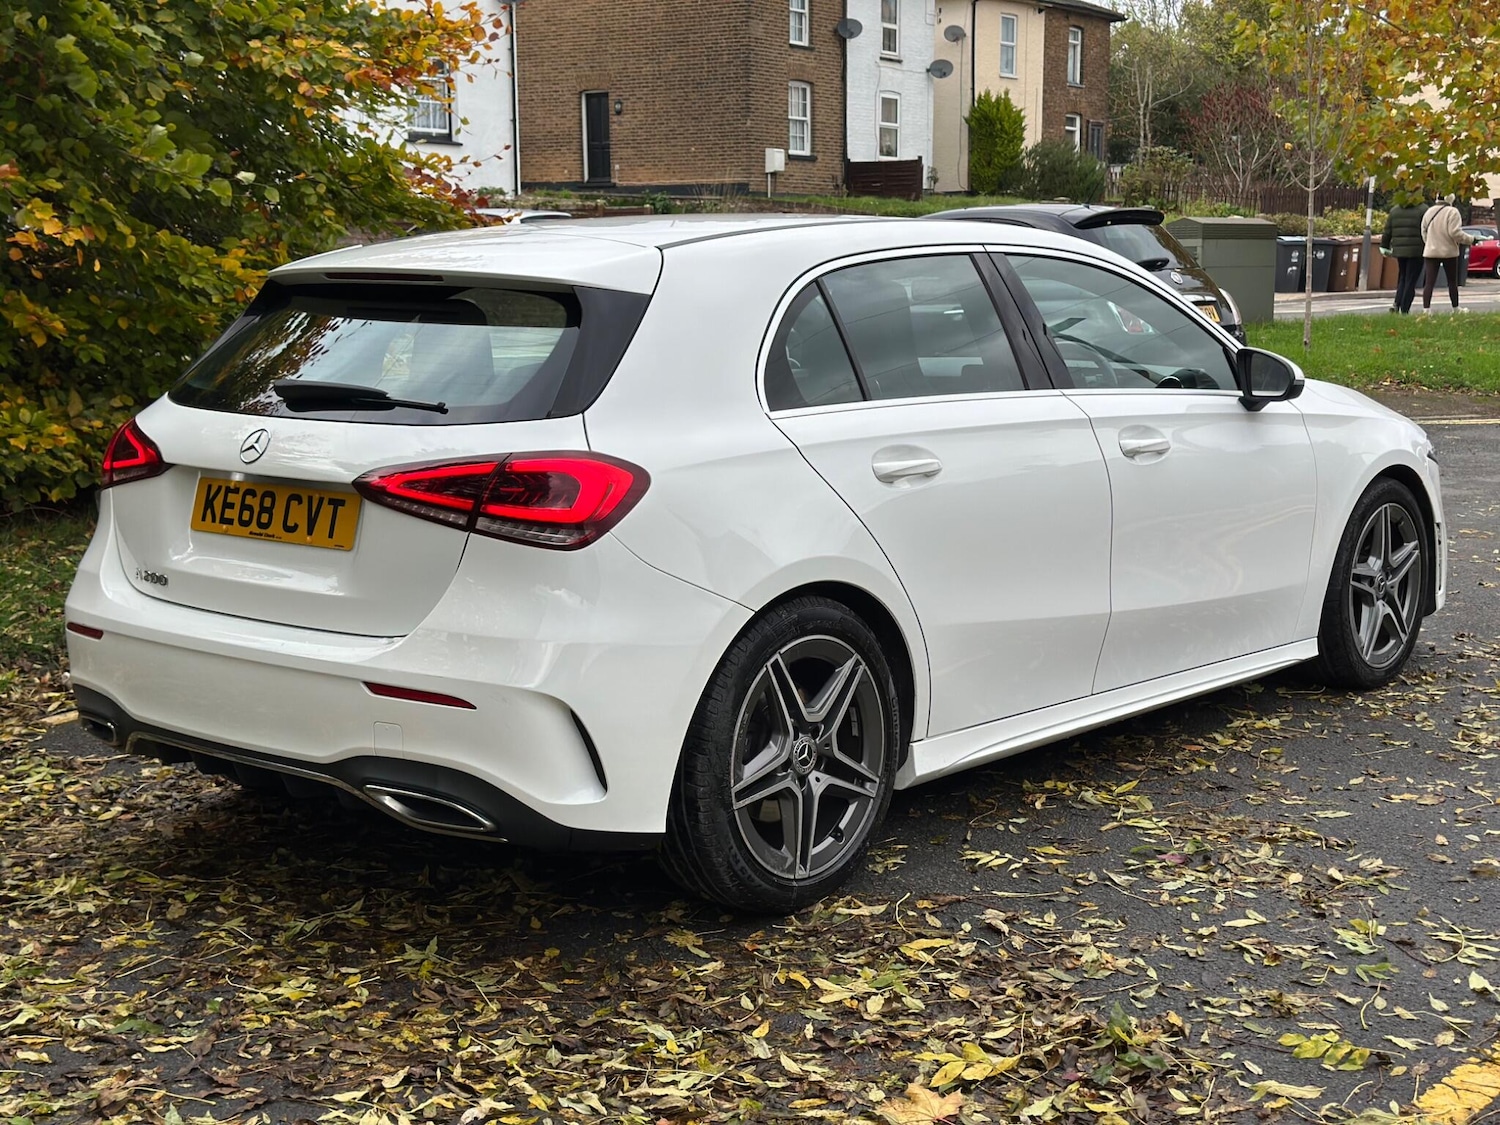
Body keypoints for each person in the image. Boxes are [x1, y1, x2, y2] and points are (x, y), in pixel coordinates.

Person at [1420, 193, 1475, 313]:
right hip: (1448, 251)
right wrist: (1470, 239)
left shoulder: (1429, 212)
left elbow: (1424, 231)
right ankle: (1455, 307)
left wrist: (1430, 243)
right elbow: (1455, 233)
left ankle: (1426, 309)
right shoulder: (1452, 212)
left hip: (1431, 251)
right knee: (1452, 281)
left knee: (1429, 282)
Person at [1381, 194, 1429, 314]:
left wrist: (1384, 246)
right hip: (1417, 251)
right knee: (1410, 280)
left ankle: (1397, 303)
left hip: (1399, 250)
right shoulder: (1423, 210)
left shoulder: (1395, 210)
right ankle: (1404, 309)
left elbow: (1387, 231)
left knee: (1402, 277)